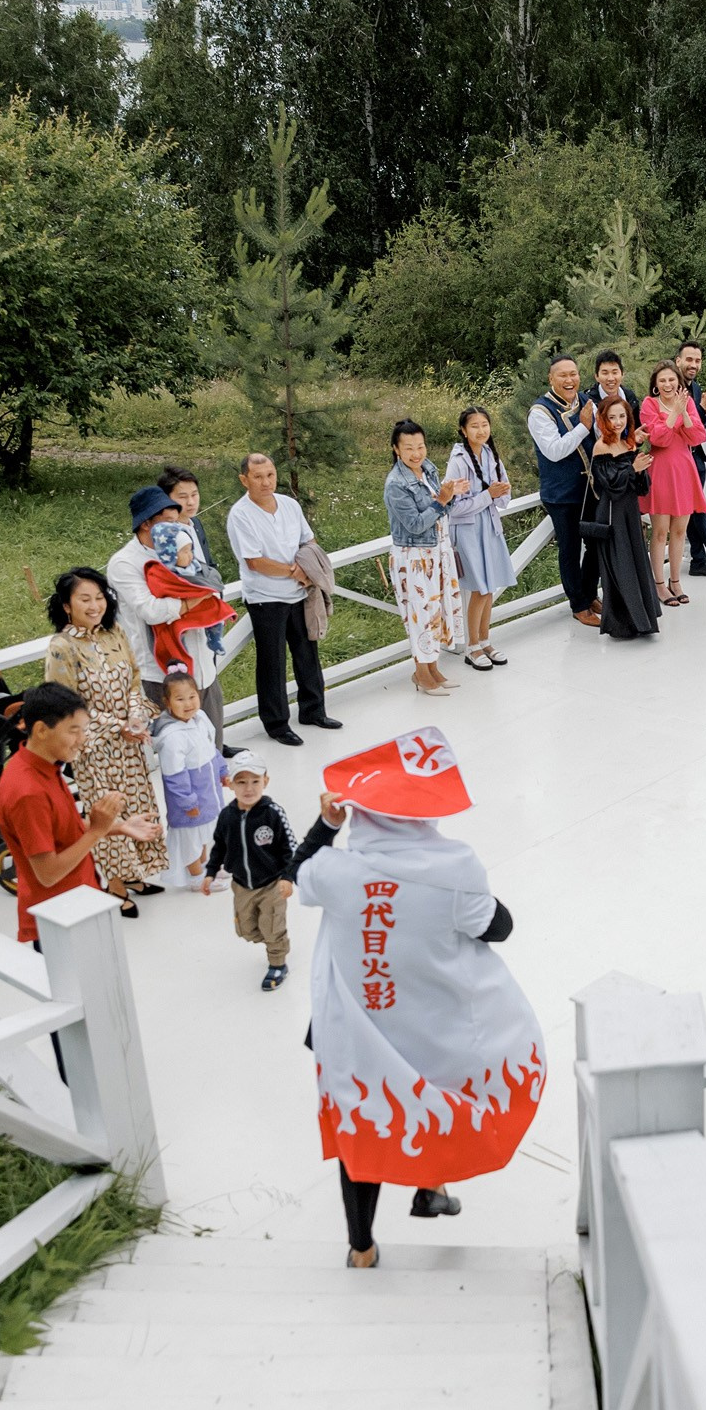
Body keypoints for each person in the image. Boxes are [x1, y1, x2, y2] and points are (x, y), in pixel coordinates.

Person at [299, 727, 545, 1266]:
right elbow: (497, 928)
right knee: (438, 1099)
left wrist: (327, 825)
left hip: (357, 1030)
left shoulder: (335, 870)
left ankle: (361, 1248)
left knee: (364, 1123)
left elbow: (298, 870)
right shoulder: (454, 870)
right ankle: (430, 1188)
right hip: (434, 1025)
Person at [0, 681, 160, 944]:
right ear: (41, 730)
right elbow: (47, 874)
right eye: (74, 731)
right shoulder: (28, 792)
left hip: (79, 904)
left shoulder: (42, 766)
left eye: (84, 730)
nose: (82, 740)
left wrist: (118, 827)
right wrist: (97, 830)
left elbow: (60, 832)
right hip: (59, 922)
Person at [42, 568, 171, 909]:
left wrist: (133, 716)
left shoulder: (114, 633)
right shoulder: (62, 647)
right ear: (67, 606)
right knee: (108, 811)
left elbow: (134, 678)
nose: (94, 605)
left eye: (99, 597)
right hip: (92, 746)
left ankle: (135, 874)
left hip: (128, 741)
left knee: (137, 804)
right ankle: (115, 884)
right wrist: (117, 725)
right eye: (84, 599)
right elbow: (67, 702)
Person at [229, 452, 341, 743]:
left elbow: (309, 540)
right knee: (272, 662)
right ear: (244, 480)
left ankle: (313, 710)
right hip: (265, 598)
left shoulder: (290, 505)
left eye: (270, 475)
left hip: (299, 593)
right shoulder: (241, 515)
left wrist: (307, 571)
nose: (266, 482)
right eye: (258, 477)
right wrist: (297, 572)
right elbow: (255, 561)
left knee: (307, 653)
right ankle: (277, 724)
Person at [109, 485, 226, 745]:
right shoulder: (125, 562)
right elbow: (151, 611)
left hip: (205, 667)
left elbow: (213, 584)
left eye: (177, 521)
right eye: (169, 522)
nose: (178, 527)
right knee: (179, 754)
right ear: (147, 525)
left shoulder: (184, 547)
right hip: (163, 674)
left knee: (212, 749)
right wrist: (196, 599)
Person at [384, 418, 467, 697]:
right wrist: (443, 500)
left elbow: (443, 506)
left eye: (420, 446)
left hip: (438, 552)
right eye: (409, 448)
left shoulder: (428, 469)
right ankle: (421, 674)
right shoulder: (396, 484)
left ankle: (432, 669)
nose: (416, 453)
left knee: (437, 612)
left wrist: (452, 494)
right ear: (396, 449)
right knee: (420, 615)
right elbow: (416, 524)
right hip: (415, 557)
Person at [203, 753, 299, 990]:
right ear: (230, 784)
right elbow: (219, 846)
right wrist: (210, 872)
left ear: (265, 781)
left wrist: (288, 877)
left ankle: (278, 962)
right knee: (246, 930)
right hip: (242, 884)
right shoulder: (227, 816)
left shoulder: (273, 813)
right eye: (241, 782)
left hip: (272, 884)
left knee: (272, 925)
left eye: (255, 781)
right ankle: (272, 939)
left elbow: (291, 848)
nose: (249, 788)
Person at [528, 354, 603, 628]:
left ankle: (590, 593)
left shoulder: (587, 402)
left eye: (573, 374)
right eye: (563, 375)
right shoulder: (540, 412)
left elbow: (601, 434)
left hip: (591, 486)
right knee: (570, 549)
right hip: (562, 493)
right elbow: (555, 451)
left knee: (596, 544)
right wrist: (583, 426)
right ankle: (578, 604)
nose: (569, 380)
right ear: (551, 378)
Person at [446, 407, 519, 671]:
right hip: (466, 531)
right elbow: (452, 508)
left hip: (488, 527)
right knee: (479, 588)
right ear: (464, 431)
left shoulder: (490, 454)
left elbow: (504, 498)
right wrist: (488, 495)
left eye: (485, 424)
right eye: (474, 426)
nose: (481, 430)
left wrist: (497, 494)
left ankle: (485, 640)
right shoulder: (457, 461)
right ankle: (471, 646)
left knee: (490, 589)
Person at [584, 396, 661, 639]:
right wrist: (632, 469)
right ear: (603, 420)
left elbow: (640, 487)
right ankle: (623, 624)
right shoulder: (601, 447)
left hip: (630, 511)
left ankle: (642, 620)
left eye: (622, 416)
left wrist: (640, 470)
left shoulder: (629, 444)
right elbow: (610, 485)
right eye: (612, 417)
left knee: (636, 561)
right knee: (621, 565)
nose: (617, 422)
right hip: (612, 513)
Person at [640, 362, 706, 604]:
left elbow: (698, 436)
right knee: (660, 532)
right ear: (656, 385)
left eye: (672, 380)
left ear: (679, 382)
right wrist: (674, 413)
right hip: (661, 469)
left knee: (680, 530)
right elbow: (658, 438)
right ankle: (658, 583)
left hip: (684, 468)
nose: (668, 385)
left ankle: (675, 580)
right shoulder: (649, 404)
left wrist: (684, 413)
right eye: (663, 381)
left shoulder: (687, 403)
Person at [152, 671, 226, 891]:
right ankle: (195, 876)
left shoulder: (200, 719)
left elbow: (210, 748)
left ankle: (205, 865)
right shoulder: (172, 737)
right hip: (190, 798)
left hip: (208, 790)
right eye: (180, 699)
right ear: (167, 703)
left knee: (204, 832)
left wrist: (222, 770)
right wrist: (187, 803)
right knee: (190, 837)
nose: (188, 703)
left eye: (192, 696)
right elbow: (175, 776)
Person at [154, 468, 230, 662]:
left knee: (209, 665)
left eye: (194, 495)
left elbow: (208, 564)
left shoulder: (195, 523)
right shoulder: (164, 535)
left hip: (207, 605)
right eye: (182, 497)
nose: (190, 502)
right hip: (184, 612)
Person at [672, 340, 706, 580]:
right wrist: (703, 407)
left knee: (695, 510)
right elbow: (676, 427)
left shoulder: (696, 387)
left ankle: (698, 559)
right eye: (689, 359)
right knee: (696, 510)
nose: (693, 365)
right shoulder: (669, 386)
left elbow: (698, 429)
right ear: (678, 361)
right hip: (679, 459)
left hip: (696, 457)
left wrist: (703, 410)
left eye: (697, 360)